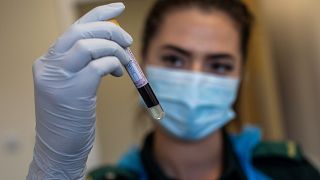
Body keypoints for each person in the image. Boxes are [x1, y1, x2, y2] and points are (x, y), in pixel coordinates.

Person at [27, 1, 320, 180]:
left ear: (240, 75)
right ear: (139, 62)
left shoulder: (288, 171)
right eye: (174, 59)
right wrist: (54, 169)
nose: (194, 79)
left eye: (218, 65)